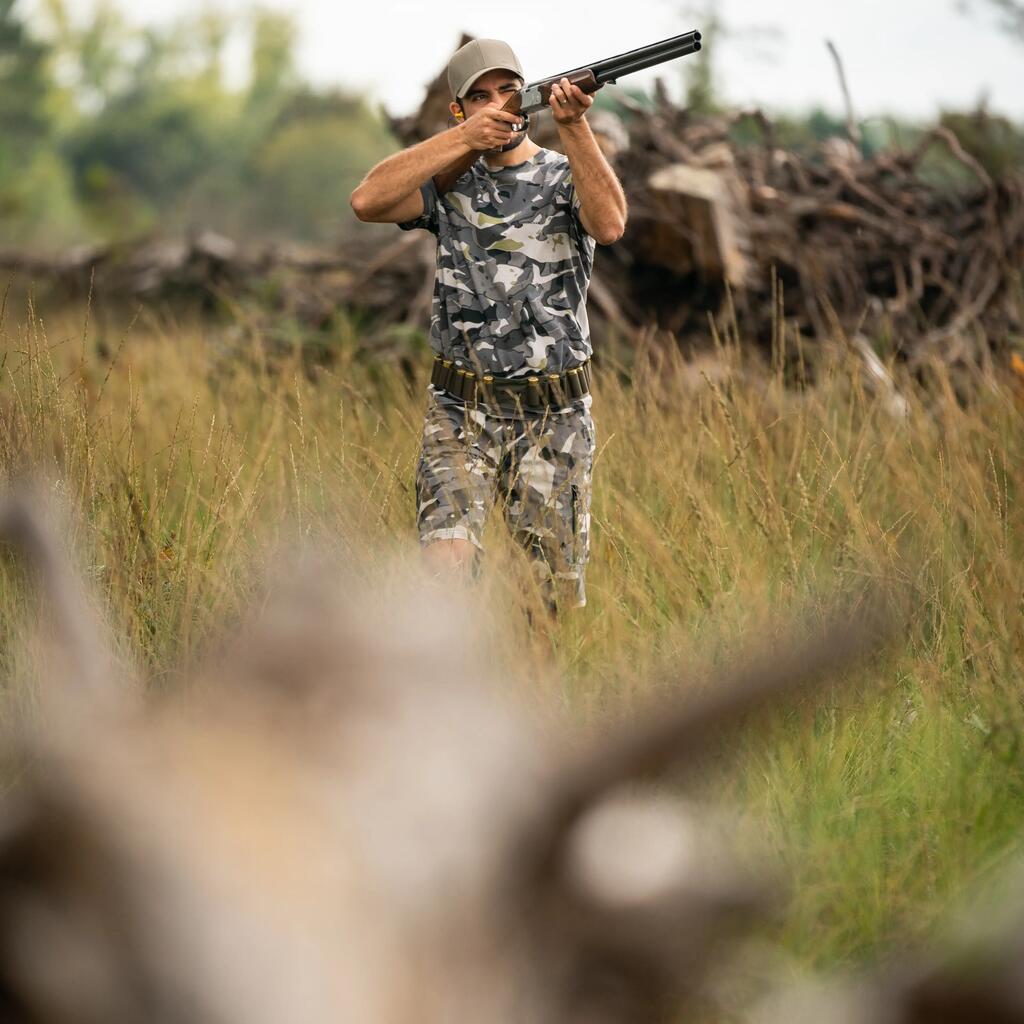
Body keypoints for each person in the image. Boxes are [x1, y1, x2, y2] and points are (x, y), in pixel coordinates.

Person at [350, 38, 627, 612]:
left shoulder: (560, 174)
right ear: (460, 109)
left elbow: (610, 225)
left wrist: (574, 125)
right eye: (480, 97)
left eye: (508, 90)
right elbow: (366, 201)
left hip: (555, 415)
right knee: (444, 577)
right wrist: (461, 142)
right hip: (461, 410)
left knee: (545, 604)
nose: (499, 104)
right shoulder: (448, 183)